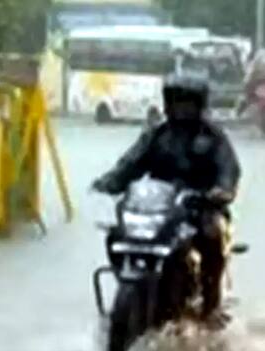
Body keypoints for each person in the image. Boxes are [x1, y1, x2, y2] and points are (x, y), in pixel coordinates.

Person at [93, 75, 242, 319]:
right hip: (161, 208)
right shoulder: (157, 135)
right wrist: (110, 181)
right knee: (117, 233)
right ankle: (134, 281)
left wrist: (222, 190)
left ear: (199, 105)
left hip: (200, 207)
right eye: (176, 101)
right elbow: (132, 162)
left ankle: (210, 305)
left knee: (212, 235)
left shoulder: (213, 137)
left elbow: (228, 169)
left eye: (187, 102)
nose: (181, 108)